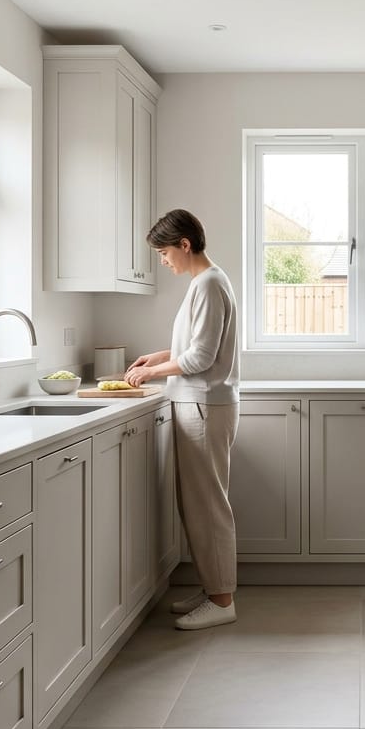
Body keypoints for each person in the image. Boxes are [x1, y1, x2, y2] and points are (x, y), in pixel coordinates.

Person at [125, 209, 240, 630]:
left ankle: (222, 600)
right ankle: (214, 588)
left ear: (184, 245)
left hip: (204, 406)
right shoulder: (206, 282)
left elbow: (201, 358)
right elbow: (194, 347)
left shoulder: (208, 283)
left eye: (163, 252)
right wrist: (160, 356)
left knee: (207, 506)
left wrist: (153, 373)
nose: (163, 261)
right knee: (199, 505)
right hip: (202, 404)